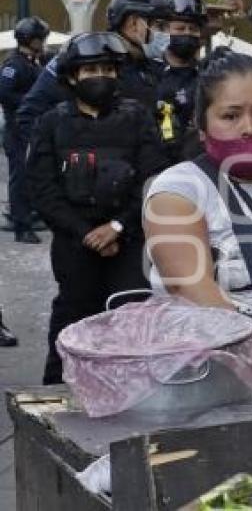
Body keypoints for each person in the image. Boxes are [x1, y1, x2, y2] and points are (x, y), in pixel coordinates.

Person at [143, 50, 252, 376]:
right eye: (230, 116)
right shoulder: (178, 189)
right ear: (202, 127)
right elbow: (189, 287)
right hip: (210, 369)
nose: (249, 127)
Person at [26, 32, 169, 384]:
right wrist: (84, 232)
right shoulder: (52, 124)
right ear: (73, 76)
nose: (100, 77)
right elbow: (42, 189)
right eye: (91, 70)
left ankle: (130, 394)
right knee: (73, 317)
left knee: (131, 316)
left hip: (128, 240)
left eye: (107, 68)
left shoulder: (137, 118)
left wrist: (118, 227)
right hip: (75, 243)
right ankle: (57, 396)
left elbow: (153, 181)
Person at [15, 0, 173, 151]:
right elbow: (28, 115)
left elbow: (164, 119)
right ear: (133, 23)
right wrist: (64, 159)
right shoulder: (81, 58)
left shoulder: (155, 68)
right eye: (160, 26)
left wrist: (167, 143)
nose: (167, 35)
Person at [0, 16, 49, 244]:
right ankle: (21, 226)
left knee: (32, 176)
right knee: (19, 178)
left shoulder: (33, 62)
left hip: (32, 129)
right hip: (17, 130)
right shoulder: (13, 65)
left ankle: (29, 213)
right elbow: (4, 94)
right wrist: (31, 101)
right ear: (29, 39)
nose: (43, 42)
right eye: (40, 39)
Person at [156, 0, 207, 164]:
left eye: (193, 29)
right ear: (166, 31)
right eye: (180, 28)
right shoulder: (152, 74)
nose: (187, 33)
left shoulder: (207, 75)